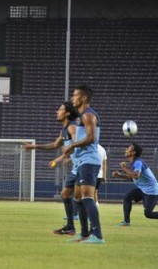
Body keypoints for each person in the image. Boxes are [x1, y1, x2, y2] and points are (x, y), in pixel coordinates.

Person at [24, 101, 78, 235]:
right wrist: (34, 147)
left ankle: (89, 231)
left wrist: (63, 157)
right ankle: (71, 227)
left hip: (84, 165)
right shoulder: (64, 130)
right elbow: (54, 145)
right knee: (66, 194)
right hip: (77, 166)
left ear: (67, 113)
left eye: (60, 110)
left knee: (82, 197)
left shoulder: (72, 127)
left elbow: (77, 145)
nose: (57, 112)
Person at [63, 85, 105, 244]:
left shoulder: (88, 115)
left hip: (89, 161)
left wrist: (72, 146)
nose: (72, 98)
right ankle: (85, 234)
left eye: (75, 96)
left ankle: (98, 235)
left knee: (87, 197)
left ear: (84, 98)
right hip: (82, 161)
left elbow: (91, 138)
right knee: (79, 198)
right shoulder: (82, 116)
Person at [112, 143, 158, 228]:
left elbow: (136, 175)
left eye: (129, 148)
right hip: (143, 189)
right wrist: (120, 175)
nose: (126, 149)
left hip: (152, 191)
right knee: (127, 197)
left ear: (133, 153)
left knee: (148, 214)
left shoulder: (138, 162)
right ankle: (126, 222)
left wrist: (125, 168)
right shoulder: (135, 163)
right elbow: (133, 178)